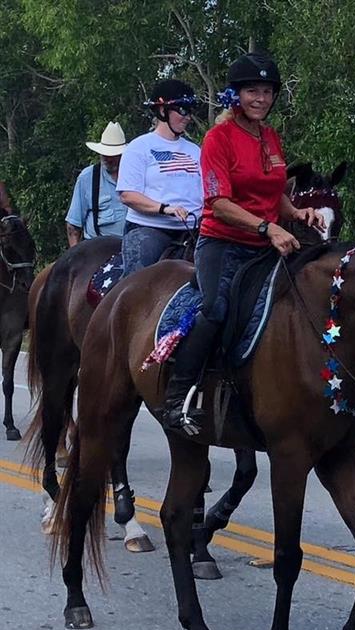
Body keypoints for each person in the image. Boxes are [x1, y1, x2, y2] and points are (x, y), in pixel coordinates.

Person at [161, 52, 324, 434]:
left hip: (265, 245)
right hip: (223, 243)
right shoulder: (218, 138)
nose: (260, 99)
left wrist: (297, 213)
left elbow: (273, 191)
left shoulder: (270, 137)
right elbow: (219, 202)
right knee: (215, 308)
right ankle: (177, 396)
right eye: (252, 91)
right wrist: (268, 228)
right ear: (236, 95)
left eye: (267, 91)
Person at [116, 79, 203, 274]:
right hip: (150, 228)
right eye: (183, 110)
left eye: (190, 111)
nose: (188, 117)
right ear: (163, 111)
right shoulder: (139, 147)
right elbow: (128, 195)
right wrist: (165, 208)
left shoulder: (195, 151)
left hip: (193, 230)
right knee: (139, 280)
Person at [65, 121, 128, 246]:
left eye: (113, 155)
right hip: (97, 250)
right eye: (105, 154)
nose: (108, 159)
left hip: (133, 247)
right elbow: (73, 227)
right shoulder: (87, 177)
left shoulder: (135, 176)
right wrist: (75, 254)